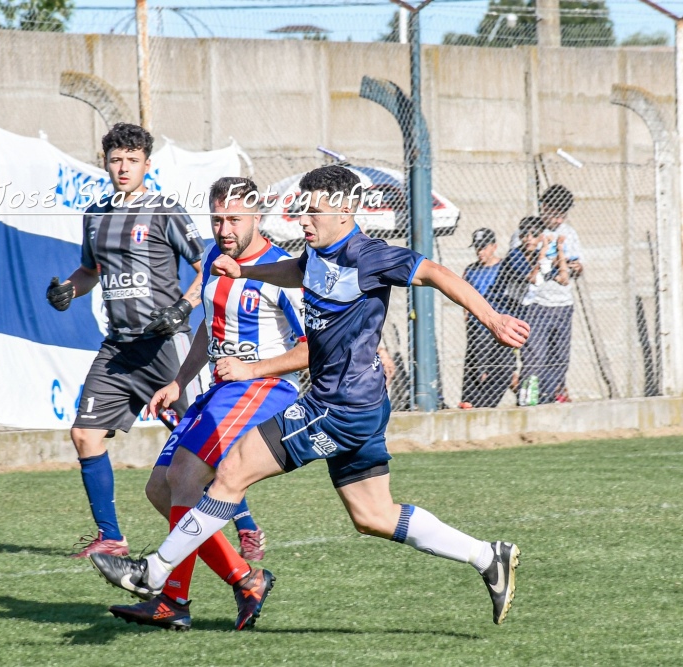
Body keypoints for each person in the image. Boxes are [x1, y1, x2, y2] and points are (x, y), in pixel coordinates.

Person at [90, 165, 530, 626]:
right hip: (358, 405)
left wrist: (493, 319)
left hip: (336, 407)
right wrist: (245, 270)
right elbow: (296, 271)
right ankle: (487, 556)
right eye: (302, 211)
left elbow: (437, 273)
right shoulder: (316, 254)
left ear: (344, 211)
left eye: (313, 212)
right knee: (373, 514)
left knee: (232, 472)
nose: (303, 221)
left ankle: (154, 575)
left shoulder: (370, 255)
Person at [107, 176, 309, 631]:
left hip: (263, 389)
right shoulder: (219, 259)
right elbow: (209, 328)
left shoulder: (284, 272)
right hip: (220, 390)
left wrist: (250, 369)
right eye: (217, 219)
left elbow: (312, 349)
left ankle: (172, 601)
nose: (224, 229)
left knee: (183, 479)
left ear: (258, 217)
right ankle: (244, 578)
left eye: (234, 219)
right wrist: (179, 381)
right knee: (161, 488)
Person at [46, 123, 219, 558]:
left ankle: (247, 526)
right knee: (85, 435)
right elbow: (90, 271)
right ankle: (112, 538)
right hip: (118, 347)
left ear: (147, 165)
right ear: (105, 162)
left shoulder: (164, 211)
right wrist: (69, 286)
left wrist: (184, 306)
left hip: (166, 344)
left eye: (132, 160)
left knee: (201, 441)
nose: (123, 167)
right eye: (115, 159)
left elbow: (209, 265)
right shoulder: (95, 215)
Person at [510, 185, 582, 404]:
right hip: (536, 305)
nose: (559, 220)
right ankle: (528, 401)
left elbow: (578, 266)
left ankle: (549, 400)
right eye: (555, 214)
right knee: (534, 357)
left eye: (563, 216)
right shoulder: (528, 231)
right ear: (545, 207)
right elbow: (518, 265)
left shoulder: (569, 233)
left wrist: (577, 267)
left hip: (563, 304)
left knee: (559, 359)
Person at [459, 228, 517, 409]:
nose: (480, 251)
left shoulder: (505, 268)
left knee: (504, 369)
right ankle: (472, 404)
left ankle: (488, 405)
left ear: (494, 247)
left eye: (484, 247)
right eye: (477, 247)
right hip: (478, 329)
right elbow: (463, 294)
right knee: (477, 370)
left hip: (500, 329)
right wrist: (467, 315)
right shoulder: (471, 270)